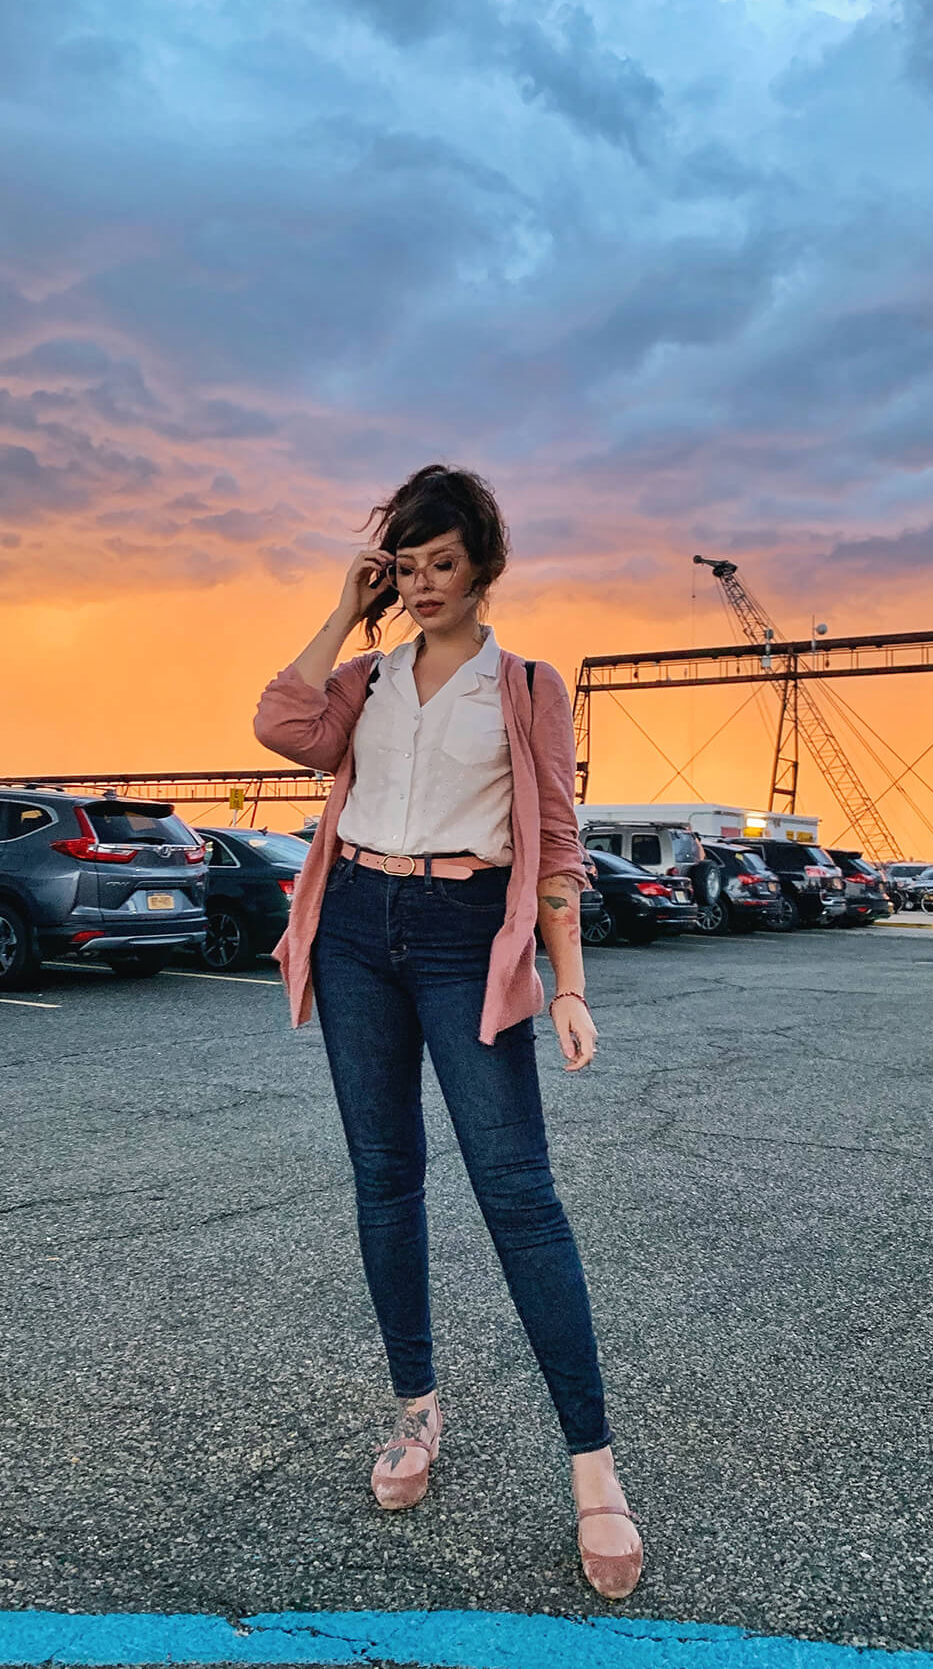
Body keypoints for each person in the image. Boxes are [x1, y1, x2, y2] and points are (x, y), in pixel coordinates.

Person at [253, 464, 642, 1599]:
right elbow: (279, 721)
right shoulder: (363, 680)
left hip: (470, 929)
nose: (422, 585)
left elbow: (557, 845)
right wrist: (343, 603)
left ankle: (593, 1470)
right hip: (356, 927)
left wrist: (567, 985)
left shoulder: (523, 685)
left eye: (440, 565)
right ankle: (415, 1411)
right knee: (384, 1177)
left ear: (483, 570)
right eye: (406, 565)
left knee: (517, 1191)